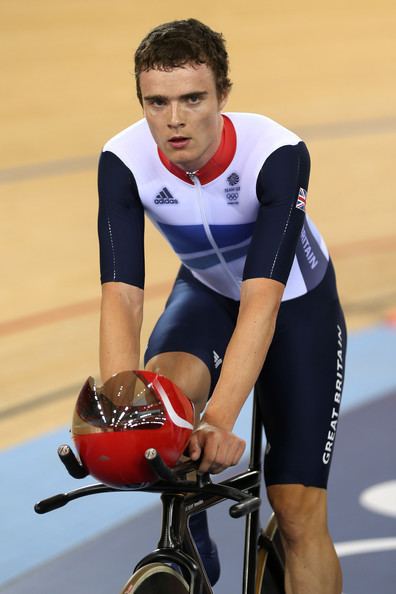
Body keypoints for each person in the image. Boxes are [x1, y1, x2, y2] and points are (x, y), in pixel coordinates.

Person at [97, 18, 346, 594]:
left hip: (295, 307)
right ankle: (193, 540)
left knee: (296, 508)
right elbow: (122, 295)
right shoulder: (124, 158)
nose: (175, 119)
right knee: (159, 393)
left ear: (223, 96)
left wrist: (219, 420)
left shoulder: (275, 152)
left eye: (192, 99)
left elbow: (262, 300)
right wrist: (121, 408)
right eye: (156, 102)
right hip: (207, 292)